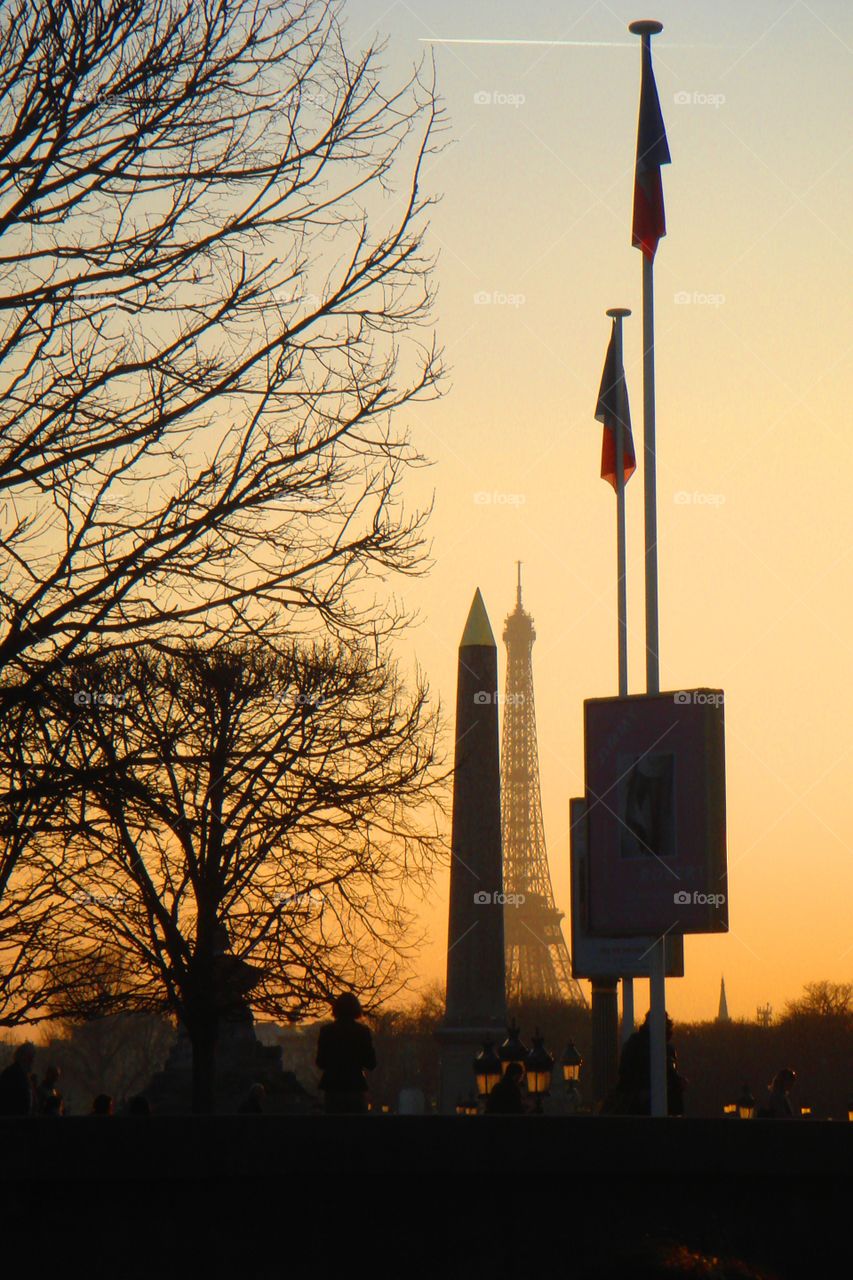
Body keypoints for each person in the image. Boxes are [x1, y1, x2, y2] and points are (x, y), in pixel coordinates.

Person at [604, 1011, 686, 1116]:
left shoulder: (664, 1048)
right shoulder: (641, 1044)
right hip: (639, 1102)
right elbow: (626, 1074)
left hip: (644, 1101)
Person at [315, 992, 376, 1114]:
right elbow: (371, 1063)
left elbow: (320, 1062)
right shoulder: (362, 1032)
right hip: (355, 1086)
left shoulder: (326, 1031)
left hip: (333, 1087)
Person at [0, 1042, 37, 1116]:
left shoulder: (24, 1076)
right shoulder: (12, 1075)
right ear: (23, 1057)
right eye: (30, 1057)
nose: (33, 1061)